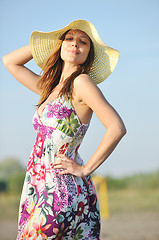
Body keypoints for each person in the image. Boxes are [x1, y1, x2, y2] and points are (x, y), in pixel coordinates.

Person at [2, 20, 126, 240]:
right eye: (69, 39)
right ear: (59, 46)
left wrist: (85, 169)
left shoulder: (82, 83)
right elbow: (10, 62)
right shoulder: (49, 88)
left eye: (83, 42)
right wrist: (49, 42)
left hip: (60, 191)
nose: (74, 44)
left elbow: (116, 128)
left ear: (89, 53)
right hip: (38, 185)